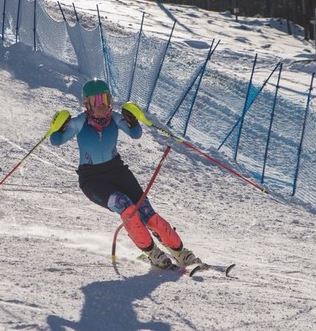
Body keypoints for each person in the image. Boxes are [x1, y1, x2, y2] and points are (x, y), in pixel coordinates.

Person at [48, 79, 202, 269]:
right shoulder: (79, 122)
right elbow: (56, 140)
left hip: (117, 170)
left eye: (105, 98)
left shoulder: (114, 118)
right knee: (126, 208)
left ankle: (180, 252)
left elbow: (135, 134)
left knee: (147, 213)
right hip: (92, 179)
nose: (102, 105)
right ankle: (153, 253)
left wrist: (133, 120)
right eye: (97, 101)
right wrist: (57, 126)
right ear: (87, 103)